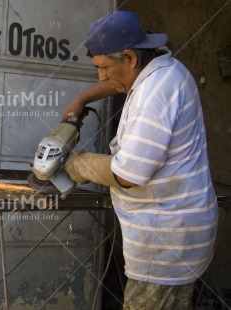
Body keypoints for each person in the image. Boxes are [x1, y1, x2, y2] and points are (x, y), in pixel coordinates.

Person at [64, 11, 218, 309]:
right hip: (178, 236)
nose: (102, 76)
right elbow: (120, 83)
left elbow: (129, 174)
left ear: (131, 58)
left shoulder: (154, 94)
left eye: (104, 67)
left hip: (164, 248)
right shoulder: (164, 70)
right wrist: (84, 98)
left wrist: (82, 164)